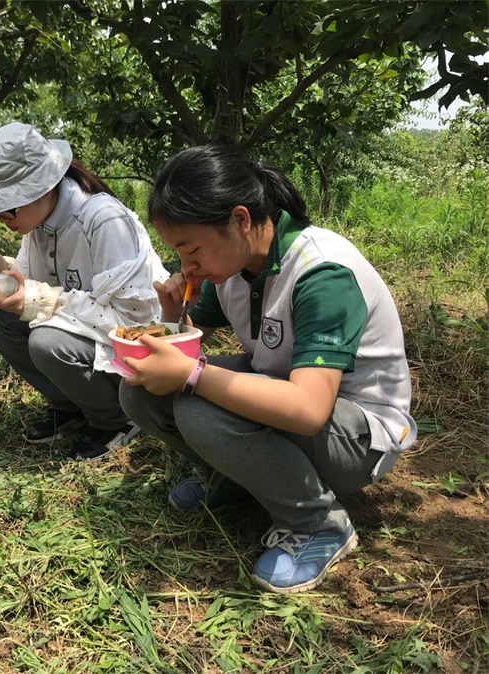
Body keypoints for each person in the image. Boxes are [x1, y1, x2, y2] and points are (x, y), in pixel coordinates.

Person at [119, 145, 417, 593]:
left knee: (199, 405)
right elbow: (189, 340)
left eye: (191, 248)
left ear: (240, 220)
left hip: (357, 435)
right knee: (141, 388)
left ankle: (320, 523)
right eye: (178, 252)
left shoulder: (323, 273)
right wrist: (170, 318)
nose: (187, 265)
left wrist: (193, 376)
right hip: (290, 393)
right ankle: (238, 477)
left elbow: (310, 410)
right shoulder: (233, 267)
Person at [0, 122, 169, 461]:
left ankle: (116, 417)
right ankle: (70, 404)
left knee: (48, 340)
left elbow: (135, 320)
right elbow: (30, 281)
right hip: (88, 336)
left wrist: (38, 300)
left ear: (41, 189)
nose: (2, 218)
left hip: (134, 351)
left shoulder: (102, 220)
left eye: (8, 208)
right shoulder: (38, 224)